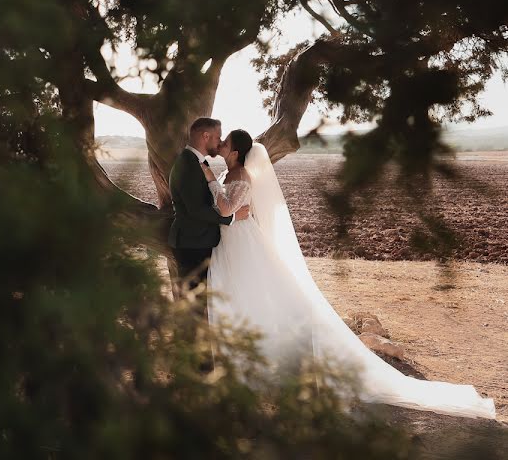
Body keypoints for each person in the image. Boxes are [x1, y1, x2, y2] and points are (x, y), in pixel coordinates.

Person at [201, 128, 496, 419]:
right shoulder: (232, 175)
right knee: (241, 296)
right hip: (232, 242)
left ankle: (265, 360)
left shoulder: (238, 176)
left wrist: (212, 182)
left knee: (251, 295)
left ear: (236, 152)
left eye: (225, 142)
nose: (221, 145)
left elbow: (227, 209)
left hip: (241, 244)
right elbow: (232, 211)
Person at [167, 118, 250, 297]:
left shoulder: (195, 162)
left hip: (197, 241)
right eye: (218, 137)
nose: (219, 142)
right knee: (194, 302)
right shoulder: (189, 164)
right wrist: (232, 218)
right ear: (206, 136)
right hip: (192, 243)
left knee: (199, 300)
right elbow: (196, 210)